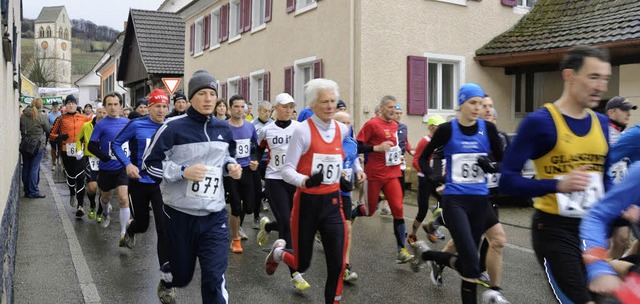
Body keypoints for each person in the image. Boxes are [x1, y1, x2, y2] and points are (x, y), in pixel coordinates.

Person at [499, 45, 612, 304]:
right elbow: (507, 179)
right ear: (569, 76)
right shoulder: (540, 122)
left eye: (606, 79)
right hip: (553, 230)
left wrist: (621, 211)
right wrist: (558, 184)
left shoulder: (602, 123)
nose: (602, 86)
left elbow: (603, 179)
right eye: (594, 77)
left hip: (592, 230)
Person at [143, 70, 242, 303]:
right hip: (179, 215)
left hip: (214, 216)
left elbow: (229, 156)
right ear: (191, 98)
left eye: (212, 94)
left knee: (213, 277)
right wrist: (181, 172)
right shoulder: (173, 127)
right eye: (202, 93)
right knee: (182, 275)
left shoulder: (224, 129)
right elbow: (149, 164)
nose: (208, 99)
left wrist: (232, 167)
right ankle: (168, 278)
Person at [413, 83, 507, 304]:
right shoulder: (447, 130)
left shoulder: (488, 130)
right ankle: (430, 257)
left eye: (481, 104)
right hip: (455, 201)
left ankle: (428, 256)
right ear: (461, 104)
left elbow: (504, 161)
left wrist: (491, 166)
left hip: (480, 203)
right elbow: (423, 158)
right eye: (472, 103)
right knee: (472, 263)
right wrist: (433, 177)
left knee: (469, 265)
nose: (477, 108)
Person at [265, 78, 350, 304]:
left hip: (333, 203)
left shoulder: (342, 129)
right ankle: (279, 253)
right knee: (302, 264)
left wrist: (351, 174)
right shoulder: (302, 132)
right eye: (324, 102)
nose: (331, 106)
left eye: (333, 101)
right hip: (307, 205)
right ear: (313, 105)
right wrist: (306, 182)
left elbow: (341, 159)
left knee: (338, 264)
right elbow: (287, 171)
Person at [256, 93, 311, 291]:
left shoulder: (300, 128)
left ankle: (269, 227)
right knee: (288, 224)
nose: (288, 110)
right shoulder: (266, 130)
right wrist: (254, 162)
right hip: (274, 180)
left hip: (294, 180)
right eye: (284, 107)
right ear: (276, 108)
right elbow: (258, 150)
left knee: (293, 221)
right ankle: (295, 273)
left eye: (291, 107)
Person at [351, 95, 414, 264]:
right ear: (382, 108)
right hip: (375, 175)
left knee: (398, 208)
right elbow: (357, 145)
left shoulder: (395, 126)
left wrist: (398, 157)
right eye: (390, 107)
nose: (393, 110)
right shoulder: (372, 124)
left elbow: (395, 148)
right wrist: (376, 148)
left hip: (392, 173)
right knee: (370, 210)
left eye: (395, 107)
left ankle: (401, 250)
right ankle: (353, 214)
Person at [111, 88, 169, 258]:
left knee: (163, 227)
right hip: (139, 182)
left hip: (161, 184)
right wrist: (128, 165)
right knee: (143, 225)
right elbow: (116, 144)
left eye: (164, 106)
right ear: (149, 107)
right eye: (157, 106)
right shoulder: (136, 125)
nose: (161, 110)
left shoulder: (170, 126)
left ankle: (166, 275)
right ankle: (131, 229)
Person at [580, 162, 640, 301]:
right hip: (618, 198)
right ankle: (607, 267)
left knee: (625, 241)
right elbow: (596, 216)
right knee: (621, 239)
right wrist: (598, 267)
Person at [88, 92, 131, 245]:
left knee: (123, 198)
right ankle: (106, 212)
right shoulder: (101, 124)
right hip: (106, 168)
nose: (113, 107)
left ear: (120, 106)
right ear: (105, 107)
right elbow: (91, 145)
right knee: (105, 198)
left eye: (116, 104)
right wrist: (103, 156)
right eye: (110, 105)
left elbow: (133, 142)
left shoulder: (127, 123)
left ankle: (124, 233)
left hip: (122, 167)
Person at [333, 110, 366, 283]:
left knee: (347, 228)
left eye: (348, 123)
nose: (346, 126)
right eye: (342, 123)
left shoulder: (352, 142)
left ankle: (345, 266)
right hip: (326, 192)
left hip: (344, 191)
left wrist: (359, 171)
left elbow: (353, 160)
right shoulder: (328, 141)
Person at [603, 96, 637, 259]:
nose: (628, 114)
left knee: (622, 239)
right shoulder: (603, 133)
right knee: (605, 242)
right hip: (603, 195)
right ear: (611, 112)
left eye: (629, 110)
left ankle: (612, 271)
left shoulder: (626, 135)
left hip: (620, 197)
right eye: (624, 110)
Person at [225, 94, 259, 254]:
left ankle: (236, 227)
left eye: (242, 106)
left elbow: (255, 147)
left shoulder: (250, 126)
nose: (240, 110)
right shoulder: (224, 127)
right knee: (236, 207)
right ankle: (235, 239)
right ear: (230, 108)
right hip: (231, 171)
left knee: (250, 206)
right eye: (236, 107)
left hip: (247, 170)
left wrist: (254, 160)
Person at [49, 95, 91, 214]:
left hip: (80, 151)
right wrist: (59, 137)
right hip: (66, 151)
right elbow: (51, 135)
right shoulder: (60, 119)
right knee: (71, 176)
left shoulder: (84, 118)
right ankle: (72, 192)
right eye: (69, 103)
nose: (71, 105)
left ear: (76, 105)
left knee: (81, 177)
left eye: (73, 103)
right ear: (65, 106)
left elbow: (91, 132)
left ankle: (80, 206)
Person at [408, 114, 445, 245]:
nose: (440, 130)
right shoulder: (425, 141)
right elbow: (415, 161)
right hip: (424, 180)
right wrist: (427, 172)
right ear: (431, 127)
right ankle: (412, 235)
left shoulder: (440, 142)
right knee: (422, 210)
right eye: (438, 127)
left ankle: (431, 229)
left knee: (445, 202)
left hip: (435, 179)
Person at [76, 106, 108, 220]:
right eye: (100, 112)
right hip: (91, 158)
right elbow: (79, 139)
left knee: (104, 189)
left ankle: (100, 211)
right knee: (92, 187)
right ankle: (92, 204)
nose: (102, 114)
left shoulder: (110, 126)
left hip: (105, 159)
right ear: (96, 112)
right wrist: (79, 150)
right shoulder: (87, 125)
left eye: (105, 112)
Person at [20, 98, 51, 198]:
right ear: (40, 105)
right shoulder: (41, 116)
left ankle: (27, 190)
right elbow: (48, 130)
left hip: (25, 145)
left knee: (26, 167)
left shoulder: (23, 115)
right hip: (37, 146)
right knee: (34, 168)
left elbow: (20, 128)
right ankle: (33, 191)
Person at [252, 100, 274, 222]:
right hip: (258, 160)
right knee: (257, 189)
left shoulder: (274, 124)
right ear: (259, 111)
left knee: (270, 188)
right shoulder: (252, 125)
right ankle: (256, 216)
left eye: (269, 111)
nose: (267, 114)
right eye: (264, 111)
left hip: (270, 160)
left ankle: (265, 199)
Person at [47, 101, 62, 169]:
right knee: (53, 149)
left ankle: (58, 158)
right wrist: (48, 136)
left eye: (56, 106)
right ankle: (54, 163)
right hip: (52, 134)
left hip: (60, 134)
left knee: (60, 148)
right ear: (52, 107)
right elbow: (47, 125)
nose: (55, 108)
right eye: (54, 106)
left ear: (58, 107)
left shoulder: (61, 114)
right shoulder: (49, 115)